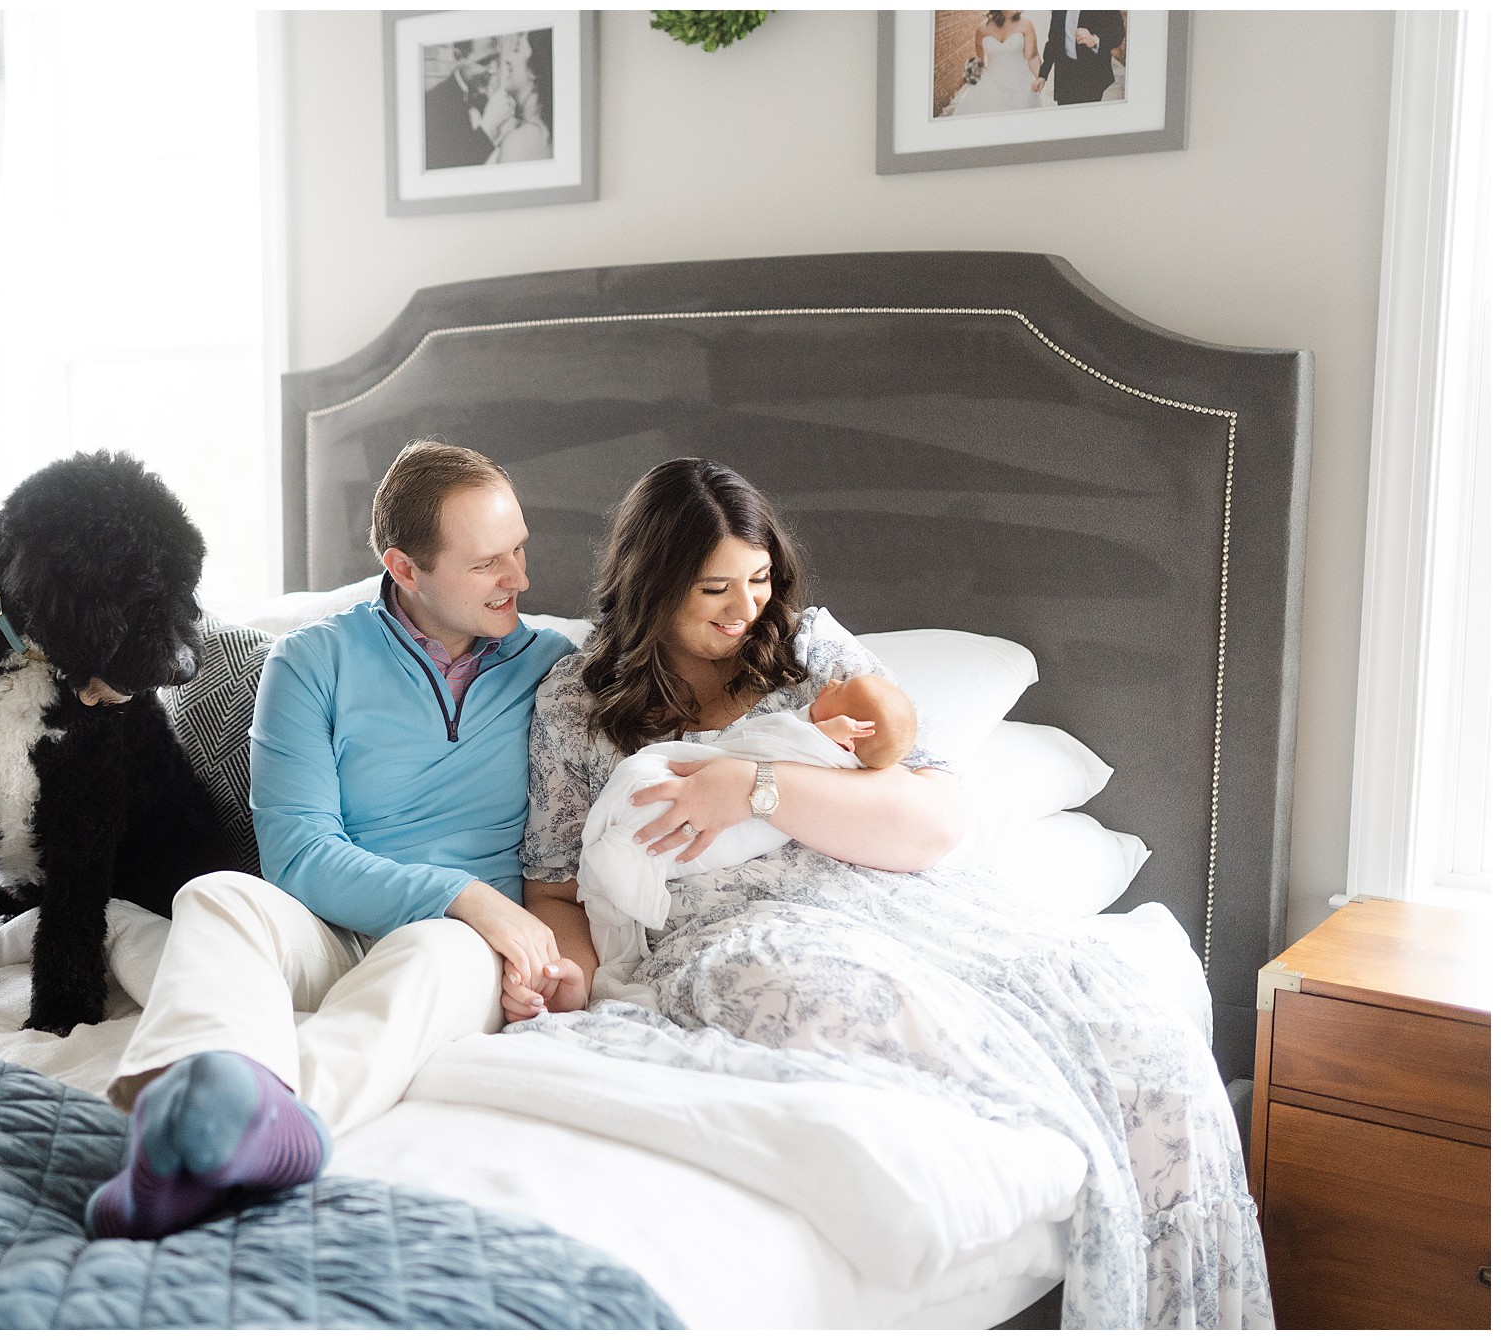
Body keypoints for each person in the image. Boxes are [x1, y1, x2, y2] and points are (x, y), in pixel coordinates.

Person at [513, 458, 1273, 1327]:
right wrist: (567, 986)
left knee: (1145, 1042)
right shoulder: (577, 702)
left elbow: (935, 818)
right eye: (712, 588)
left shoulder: (809, 655)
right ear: (650, 584)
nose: (744, 609)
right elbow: (557, 889)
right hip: (742, 931)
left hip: (901, 899)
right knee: (854, 1007)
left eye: (759, 580)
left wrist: (755, 786)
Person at [86, 440, 576, 1240]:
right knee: (219, 896)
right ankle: (185, 1117)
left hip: (460, 950)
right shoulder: (311, 661)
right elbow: (300, 857)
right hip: (338, 927)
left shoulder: (556, 669)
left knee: (436, 950)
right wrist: (466, 892)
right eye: (489, 562)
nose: (519, 579)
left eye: (519, 549)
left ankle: (244, 1131)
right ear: (405, 567)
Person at [424, 37, 501, 169]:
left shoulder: (486, 100)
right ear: (459, 56)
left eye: (496, 60)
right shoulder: (432, 104)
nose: (493, 71)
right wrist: (488, 127)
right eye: (485, 62)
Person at [478, 30, 554, 164]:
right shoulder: (533, 132)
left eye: (517, 49)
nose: (508, 59)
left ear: (536, 70)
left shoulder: (522, 141)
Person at [953, 10, 1043, 117]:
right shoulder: (981, 29)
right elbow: (980, 62)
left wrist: (1040, 78)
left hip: (1021, 86)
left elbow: (1032, 57)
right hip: (992, 86)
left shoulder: (1025, 24)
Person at [1036, 8, 1127, 105]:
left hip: (1091, 75)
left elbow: (1118, 33)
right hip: (1064, 77)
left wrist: (1094, 40)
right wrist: (1043, 75)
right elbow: (1053, 41)